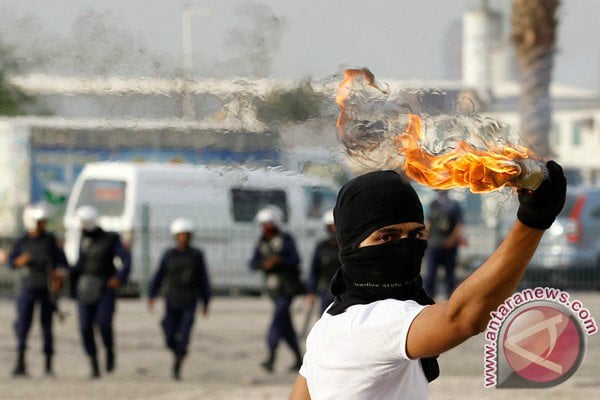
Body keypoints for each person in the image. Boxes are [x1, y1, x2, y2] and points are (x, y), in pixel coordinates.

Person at [290, 162, 566, 400]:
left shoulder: (329, 323)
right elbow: (462, 318)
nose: (405, 247)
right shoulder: (369, 322)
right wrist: (532, 223)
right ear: (351, 245)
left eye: (416, 235)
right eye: (386, 237)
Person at [70, 205, 131, 378]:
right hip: (84, 288)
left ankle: (109, 349)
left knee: (103, 323)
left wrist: (118, 278)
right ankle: (94, 363)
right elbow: (80, 265)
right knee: (84, 327)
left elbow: (126, 260)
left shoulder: (110, 239)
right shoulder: (83, 240)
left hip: (104, 288)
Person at [8, 203, 69, 377]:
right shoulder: (22, 240)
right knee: (22, 326)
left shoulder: (50, 240)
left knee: (47, 327)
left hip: (46, 289)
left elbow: (63, 263)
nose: (43, 224)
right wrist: (19, 260)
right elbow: (11, 262)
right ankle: (20, 363)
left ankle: (48, 366)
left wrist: (60, 274)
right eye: (40, 221)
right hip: (27, 288)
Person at [147, 218, 212, 380]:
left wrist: (206, 301)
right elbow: (159, 275)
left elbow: (203, 278)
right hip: (172, 298)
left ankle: (178, 362)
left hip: (190, 300)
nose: (183, 238)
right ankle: (176, 352)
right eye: (180, 235)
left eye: (186, 235)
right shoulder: (169, 255)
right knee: (169, 334)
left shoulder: (196, 255)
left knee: (185, 335)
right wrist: (151, 294)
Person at [249, 205, 304, 373]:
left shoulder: (286, 239)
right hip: (273, 289)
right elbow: (252, 263)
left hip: (287, 288)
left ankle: (271, 357)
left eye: (269, 224)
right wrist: (263, 264)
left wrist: (279, 261)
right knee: (285, 325)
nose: (266, 227)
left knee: (277, 321)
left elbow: (296, 260)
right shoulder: (261, 242)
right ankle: (299, 360)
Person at [423, 190, 464, 299]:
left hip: (448, 246)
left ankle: (450, 301)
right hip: (434, 245)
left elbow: (459, 224)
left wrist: (451, 239)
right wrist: (424, 238)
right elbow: (429, 222)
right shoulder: (433, 204)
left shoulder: (454, 205)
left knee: (450, 276)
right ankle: (428, 300)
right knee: (430, 274)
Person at [306, 209, 340, 316]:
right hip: (327, 291)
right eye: (331, 227)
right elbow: (314, 270)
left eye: (336, 226)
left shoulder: (349, 246)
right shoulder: (322, 247)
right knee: (325, 318)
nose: (334, 230)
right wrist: (311, 292)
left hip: (347, 292)